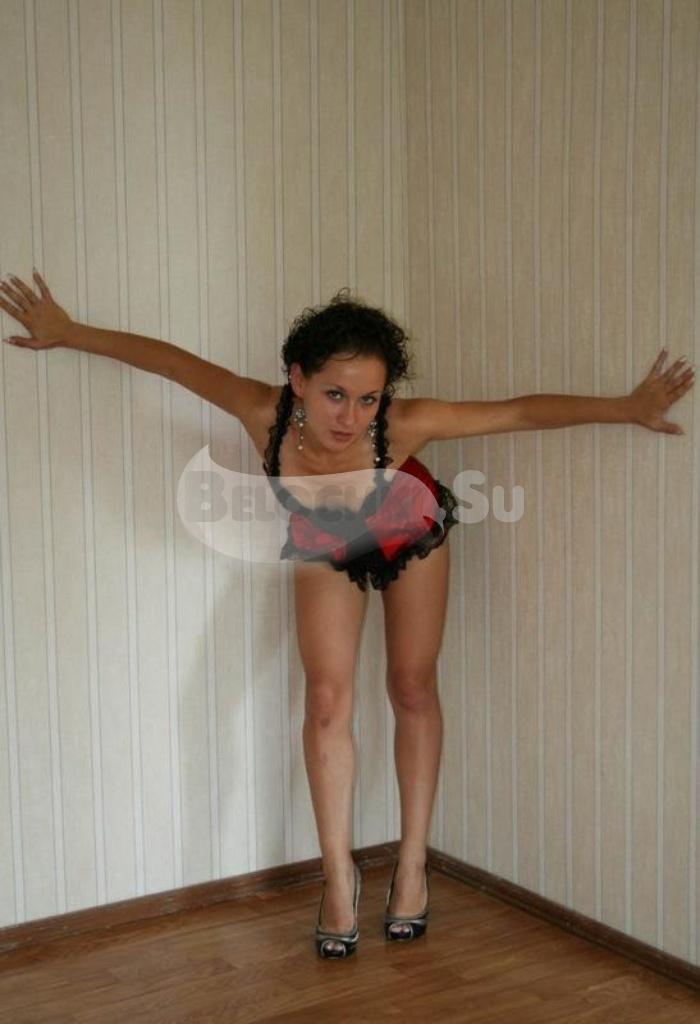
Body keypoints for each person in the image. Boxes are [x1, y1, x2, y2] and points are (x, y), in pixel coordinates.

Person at [0, 271, 695, 959]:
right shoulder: (262, 412)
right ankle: (339, 878)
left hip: (410, 533)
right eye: (335, 394)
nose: (350, 417)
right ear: (297, 380)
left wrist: (627, 407)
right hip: (326, 540)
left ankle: (413, 865)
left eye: (368, 399)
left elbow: (516, 414)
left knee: (411, 686)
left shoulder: (404, 425)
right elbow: (172, 363)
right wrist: (70, 333)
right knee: (326, 700)